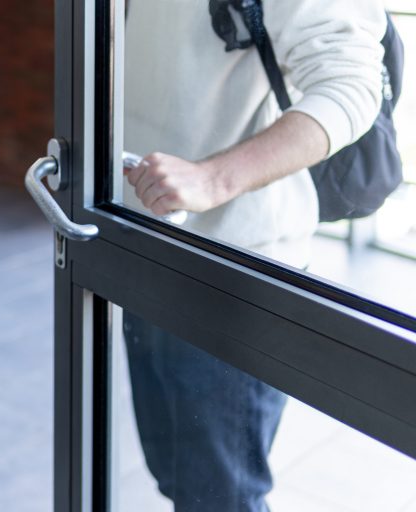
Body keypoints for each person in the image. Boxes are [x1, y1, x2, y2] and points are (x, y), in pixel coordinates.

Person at [121, 1, 387, 510]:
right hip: (144, 242)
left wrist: (212, 178)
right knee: (180, 477)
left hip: (233, 265)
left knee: (222, 495)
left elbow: (350, 87)